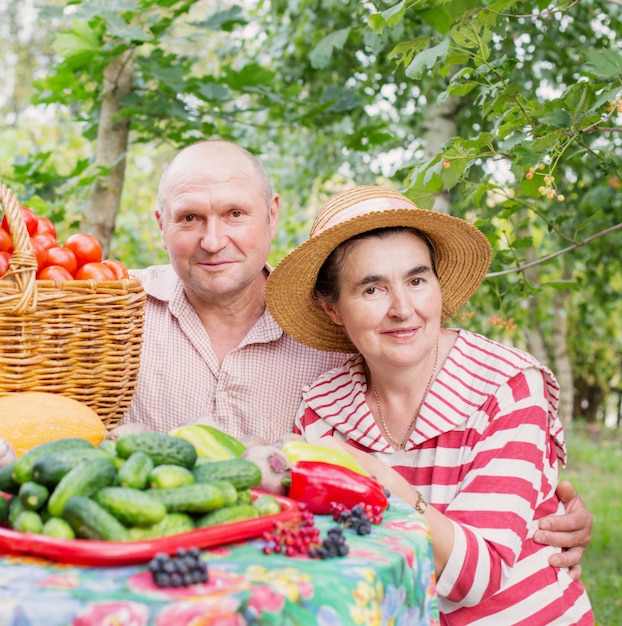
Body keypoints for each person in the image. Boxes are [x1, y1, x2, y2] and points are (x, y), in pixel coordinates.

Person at [118, 141, 591, 579]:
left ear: (272, 214)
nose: (213, 239)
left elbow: (443, 424)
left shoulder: (348, 347)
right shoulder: (103, 312)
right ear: (161, 223)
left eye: (235, 213)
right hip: (138, 573)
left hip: (286, 586)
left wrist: (539, 501)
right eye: (189, 219)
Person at [264, 185, 594, 624]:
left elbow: (475, 577)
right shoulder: (321, 410)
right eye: (372, 290)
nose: (403, 308)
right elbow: (333, 552)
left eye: (417, 281)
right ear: (333, 309)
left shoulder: (507, 386)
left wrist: (378, 476)